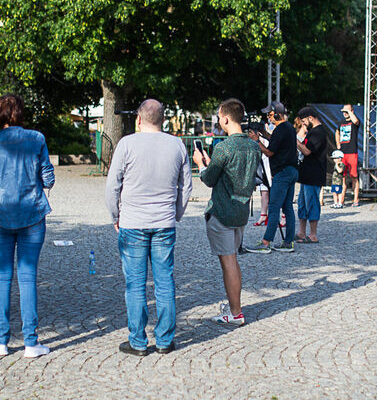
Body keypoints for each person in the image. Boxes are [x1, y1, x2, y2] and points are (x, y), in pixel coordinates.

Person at [105, 98, 192, 355]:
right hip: (164, 222)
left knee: (135, 283)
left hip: (133, 222)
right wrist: (176, 213)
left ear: (139, 120)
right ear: (162, 120)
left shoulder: (127, 144)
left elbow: (112, 185)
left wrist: (115, 216)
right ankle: (165, 340)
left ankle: (138, 341)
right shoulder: (177, 145)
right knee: (165, 281)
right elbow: (185, 186)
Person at [0, 94, 55, 358]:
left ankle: (1, 340)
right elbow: (47, 178)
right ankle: (31, 342)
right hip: (32, 213)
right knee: (28, 276)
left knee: (1, 276)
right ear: (21, 113)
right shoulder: (36, 139)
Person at [194, 98, 262, 326]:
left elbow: (210, 179)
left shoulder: (223, 147)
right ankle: (234, 305)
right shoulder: (253, 146)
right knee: (232, 259)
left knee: (229, 262)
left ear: (224, 117)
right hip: (242, 211)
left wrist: (201, 164)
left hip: (223, 210)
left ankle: (235, 312)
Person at [247, 102, 298, 253]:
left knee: (274, 207)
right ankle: (288, 242)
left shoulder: (280, 129)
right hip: (291, 171)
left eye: (269, 114)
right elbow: (276, 142)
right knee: (288, 207)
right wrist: (263, 133)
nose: (268, 117)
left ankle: (266, 242)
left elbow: (269, 152)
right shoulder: (287, 127)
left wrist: (256, 141)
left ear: (276, 114)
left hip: (282, 173)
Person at [294, 107, 332, 243]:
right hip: (306, 175)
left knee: (312, 204)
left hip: (314, 175)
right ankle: (302, 232)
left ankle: (313, 234)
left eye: (304, 121)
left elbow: (307, 151)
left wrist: (296, 140)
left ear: (311, 118)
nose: (303, 124)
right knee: (302, 204)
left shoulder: (318, 133)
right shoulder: (312, 132)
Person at [336, 103, 361, 206]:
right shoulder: (341, 122)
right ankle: (341, 200)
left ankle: (356, 199)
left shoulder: (354, 121)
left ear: (352, 111)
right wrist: (338, 144)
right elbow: (337, 132)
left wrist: (350, 112)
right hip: (343, 153)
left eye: (347, 111)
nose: (345, 113)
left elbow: (356, 121)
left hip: (352, 152)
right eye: (343, 111)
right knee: (343, 177)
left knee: (354, 176)